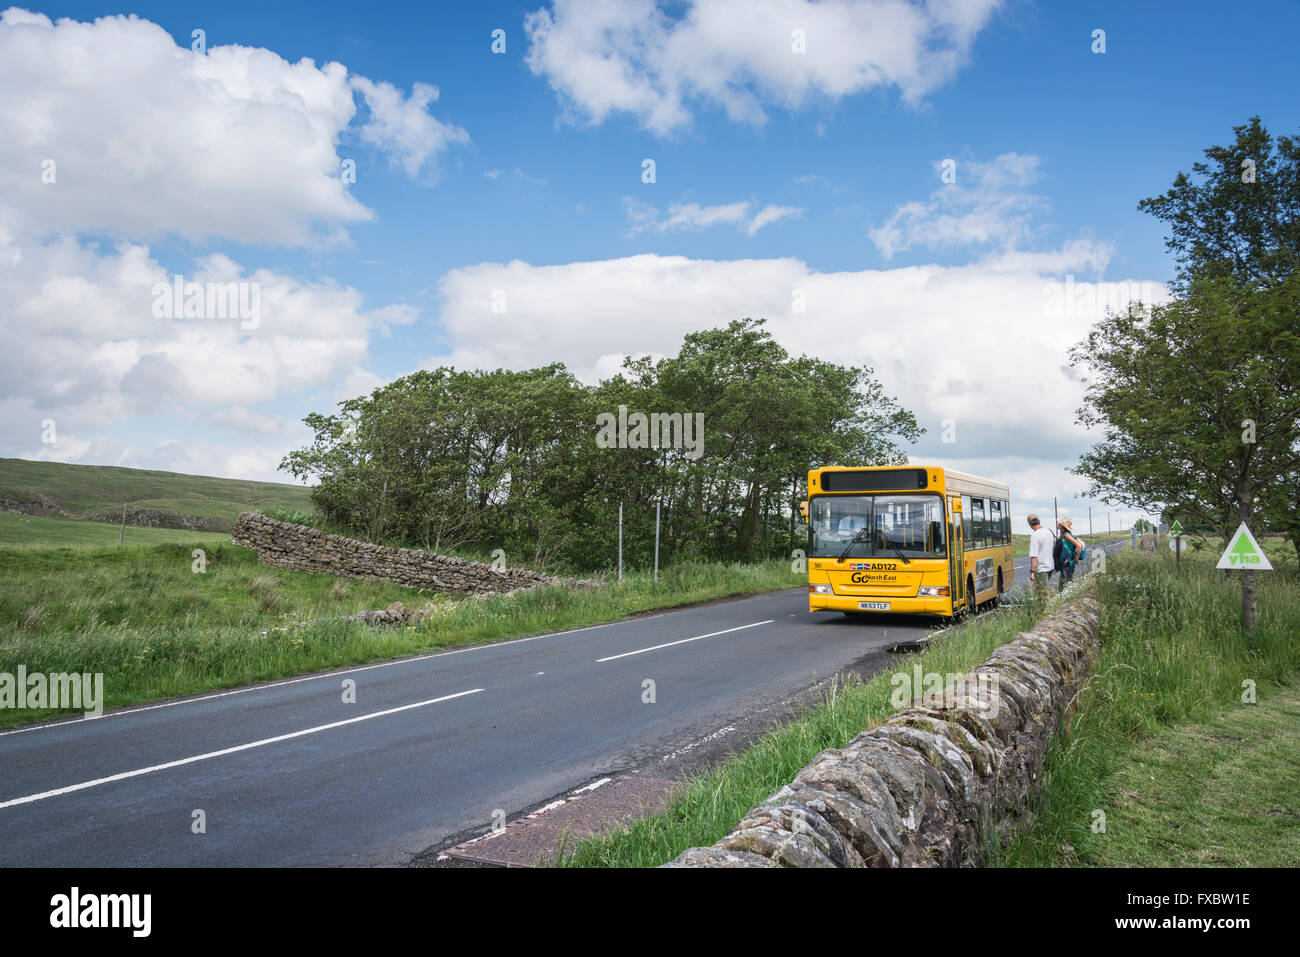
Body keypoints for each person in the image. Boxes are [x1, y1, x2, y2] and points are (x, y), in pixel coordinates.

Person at [1027, 513, 1054, 596]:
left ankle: (1046, 608)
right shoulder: (1049, 532)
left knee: (1041, 593)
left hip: (1041, 568)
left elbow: (1034, 556)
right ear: (1039, 521)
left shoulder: (1035, 536)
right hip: (1050, 566)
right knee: (1043, 590)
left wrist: (1032, 572)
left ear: (1030, 524)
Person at [1057, 518, 1085, 590]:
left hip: (1069, 563)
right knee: (1065, 583)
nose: (1058, 524)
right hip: (1067, 563)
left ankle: (1066, 598)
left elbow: (1079, 546)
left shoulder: (1067, 535)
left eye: (1059, 523)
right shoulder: (1064, 535)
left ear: (1063, 526)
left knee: (1064, 585)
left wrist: (1076, 559)